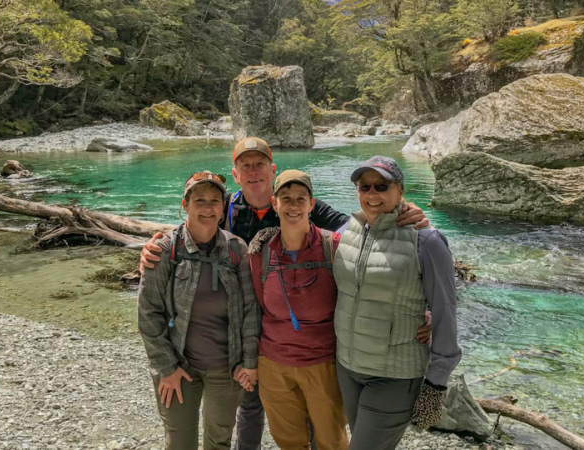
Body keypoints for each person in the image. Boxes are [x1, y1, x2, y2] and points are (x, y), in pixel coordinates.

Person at [140, 137, 431, 450]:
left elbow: (361, 231)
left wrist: (399, 212)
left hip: (298, 339)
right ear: (236, 174)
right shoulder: (227, 207)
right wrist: (155, 247)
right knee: (250, 409)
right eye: (245, 166)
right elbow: (197, 227)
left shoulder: (301, 201)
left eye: (260, 164)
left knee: (314, 422)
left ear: (272, 168)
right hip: (250, 335)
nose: (253, 172)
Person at [332, 156, 462, 450]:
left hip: (395, 375)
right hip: (348, 368)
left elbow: (445, 307)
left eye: (382, 186)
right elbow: (305, 235)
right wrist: (268, 236)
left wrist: (437, 381)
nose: (372, 194)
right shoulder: (346, 232)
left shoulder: (426, 240)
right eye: (365, 186)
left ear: (400, 191)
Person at [137, 171, 260, 450]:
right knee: (180, 442)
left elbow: (250, 310)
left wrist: (249, 361)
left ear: (223, 207)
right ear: (185, 205)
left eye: (215, 200)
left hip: (226, 369)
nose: (208, 208)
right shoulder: (165, 249)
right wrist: (166, 367)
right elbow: (148, 312)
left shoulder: (236, 249)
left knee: (219, 442)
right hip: (179, 365)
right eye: (199, 200)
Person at [246, 170, 348, 450]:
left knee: (333, 442)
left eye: (300, 199)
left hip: (323, 363)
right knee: (289, 442)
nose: (293, 205)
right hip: (273, 365)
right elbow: (257, 307)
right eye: (286, 198)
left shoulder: (334, 247)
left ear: (311, 204)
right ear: (274, 203)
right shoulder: (260, 252)